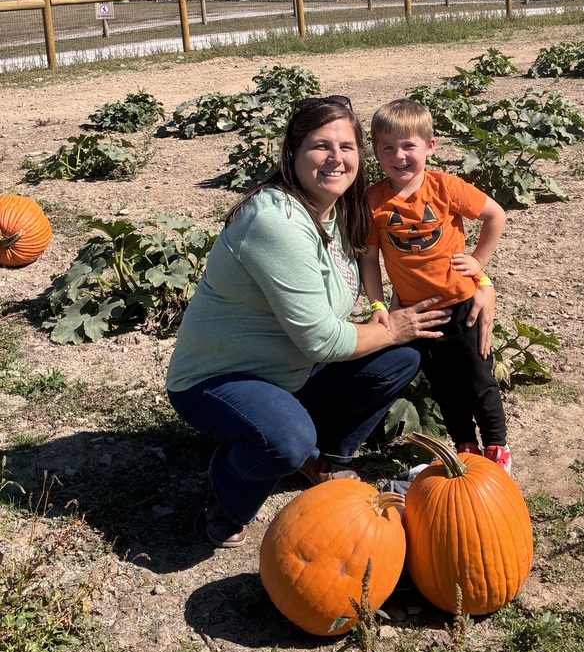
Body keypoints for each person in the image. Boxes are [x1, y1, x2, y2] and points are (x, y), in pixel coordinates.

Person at [166, 95, 494, 549]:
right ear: (293, 154)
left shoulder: (342, 209)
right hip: (221, 378)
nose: (336, 158)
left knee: (401, 356)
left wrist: (482, 280)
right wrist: (390, 326)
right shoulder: (275, 221)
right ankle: (225, 489)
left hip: (292, 368)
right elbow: (322, 339)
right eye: (321, 146)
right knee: (286, 436)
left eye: (347, 147)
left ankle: (322, 456)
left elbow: (420, 259)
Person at [360, 98, 512, 473]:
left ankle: (497, 448)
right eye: (388, 148)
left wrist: (478, 262)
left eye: (409, 145)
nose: (399, 156)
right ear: (376, 152)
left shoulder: (446, 188)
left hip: (462, 304)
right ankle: (464, 447)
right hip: (418, 315)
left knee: (479, 380)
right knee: (445, 388)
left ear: (430, 146)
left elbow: (496, 215)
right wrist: (378, 305)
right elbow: (369, 258)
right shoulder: (373, 201)